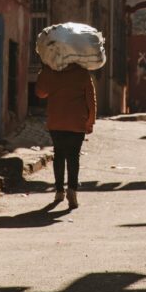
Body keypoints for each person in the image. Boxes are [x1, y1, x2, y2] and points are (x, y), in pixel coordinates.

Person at [35, 62, 96, 209]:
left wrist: (43, 72)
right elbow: (91, 99)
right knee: (74, 156)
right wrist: (90, 121)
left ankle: (59, 191)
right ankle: (72, 190)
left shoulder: (51, 71)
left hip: (56, 121)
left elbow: (40, 93)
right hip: (77, 121)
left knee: (59, 155)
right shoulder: (82, 73)